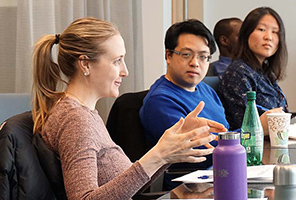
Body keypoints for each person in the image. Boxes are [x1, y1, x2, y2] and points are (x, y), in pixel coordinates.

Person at [31, 17, 226, 200]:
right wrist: (157, 155)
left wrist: (165, 154)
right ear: (85, 64)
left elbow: (127, 184)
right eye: (117, 61)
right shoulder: (76, 120)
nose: (125, 71)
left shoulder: (85, 113)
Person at [139, 19, 229, 190]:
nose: (195, 62)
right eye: (186, 54)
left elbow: (225, 133)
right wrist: (252, 133)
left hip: (220, 176)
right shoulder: (160, 100)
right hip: (187, 188)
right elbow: (201, 152)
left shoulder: (206, 90)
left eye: (203, 56)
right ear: (168, 56)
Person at [218, 7, 288, 135]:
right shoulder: (238, 72)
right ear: (246, 34)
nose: (269, 37)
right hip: (252, 148)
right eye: (261, 30)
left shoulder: (264, 71)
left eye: (275, 32)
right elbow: (246, 125)